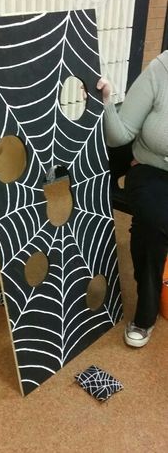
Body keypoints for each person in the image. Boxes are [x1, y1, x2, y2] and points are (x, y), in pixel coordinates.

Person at [97, 50, 168, 347]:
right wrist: (108, 100)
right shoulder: (159, 71)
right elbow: (120, 134)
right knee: (153, 223)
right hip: (151, 169)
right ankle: (146, 314)